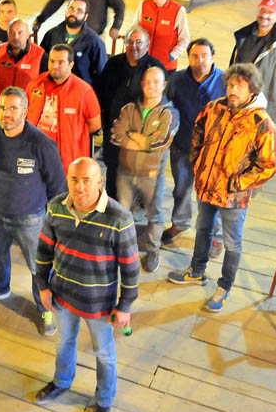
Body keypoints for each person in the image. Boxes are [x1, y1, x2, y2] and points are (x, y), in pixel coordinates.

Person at [34, 157, 139, 412]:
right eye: (74, 180)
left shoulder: (119, 218)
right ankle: (61, 383)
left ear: (99, 182)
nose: (79, 187)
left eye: (86, 181)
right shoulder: (57, 207)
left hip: (99, 304)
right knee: (64, 341)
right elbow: (44, 249)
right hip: (62, 294)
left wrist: (125, 306)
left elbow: (131, 268)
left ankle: (104, 402)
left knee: (104, 353)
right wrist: (42, 285)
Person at [168, 63, 276, 312]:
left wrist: (238, 183)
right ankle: (196, 270)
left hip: (233, 197)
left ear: (252, 90)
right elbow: (198, 130)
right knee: (203, 229)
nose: (233, 90)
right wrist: (198, 160)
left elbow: (269, 164)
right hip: (207, 185)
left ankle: (224, 287)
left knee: (232, 242)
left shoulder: (261, 122)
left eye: (240, 86)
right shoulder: (214, 107)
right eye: (230, 84)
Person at [0, 86, 66, 334]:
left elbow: (57, 183)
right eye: (3, 108)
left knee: (38, 267)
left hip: (30, 218)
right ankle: (0, 287)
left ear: (25, 111)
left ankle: (45, 308)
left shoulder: (41, 144)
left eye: (13, 108)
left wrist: (48, 215)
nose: (7, 113)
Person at [111, 66, 178, 272]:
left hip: (152, 175)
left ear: (164, 85)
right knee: (123, 213)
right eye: (147, 82)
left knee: (154, 214)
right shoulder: (129, 109)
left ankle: (153, 249)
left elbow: (159, 142)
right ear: (142, 84)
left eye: (156, 82)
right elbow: (115, 135)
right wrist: (143, 141)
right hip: (125, 172)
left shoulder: (169, 113)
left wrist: (131, 135)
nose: (151, 86)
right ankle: (125, 248)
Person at [163, 38, 226, 257]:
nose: (200, 61)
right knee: (181, 188)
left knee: (211, 194)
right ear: (188, 57)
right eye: (195, 56)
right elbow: (167, 108)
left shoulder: (225, 81)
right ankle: (180, 223)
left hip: (212, 151)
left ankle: (216, 236)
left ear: (213, 57)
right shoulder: (177, 80)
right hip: (183, 146)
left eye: (205, 56)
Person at [95, 26, 166, 197]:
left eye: (139, 42)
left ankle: (131, 204)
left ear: (147, 45)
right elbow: (101, 93)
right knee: (112, 171)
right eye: (130, 42)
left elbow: (162, 105)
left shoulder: (155, 68)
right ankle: (112, 202)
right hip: (113, 133)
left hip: (139, 137)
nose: (134, 46)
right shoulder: (113, 64)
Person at [26, 43, 101, 170]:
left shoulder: (84, 92)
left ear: (71, 65)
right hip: (35, 154)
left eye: (61, 62)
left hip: (67, 161)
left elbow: (95, 125)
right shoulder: (35, 84)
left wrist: (70, 137)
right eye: (52, 61)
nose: (55, 66)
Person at [230, 0, 276, 123]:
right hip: (240, 103)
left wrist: (272, 94)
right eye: (262, 10)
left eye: (270, 12)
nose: (264, 15)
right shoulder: (244, 36)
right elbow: (234, 66)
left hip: (265, 108)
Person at [0, 18, 47, 124]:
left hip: (27, 118)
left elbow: (47, 88)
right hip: (0, 115)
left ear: (28, 34)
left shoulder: (40, 55)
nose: (15, 37)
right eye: (12, 32)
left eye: (20, 33)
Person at [38, 0, 107, 85]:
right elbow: (41, 63)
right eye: (71, 8)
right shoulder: (52, 34)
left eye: (79, 11)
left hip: (79, 90)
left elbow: (102, 74)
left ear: (85, 17)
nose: (73, 13)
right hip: (52, 88)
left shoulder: (94, 41)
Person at [131, 0, 190, 72]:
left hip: (165, 65)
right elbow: (134, 29)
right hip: (143, 61)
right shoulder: (143, 5)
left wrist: (173, 55)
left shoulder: (178, 10)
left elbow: (184, 38)